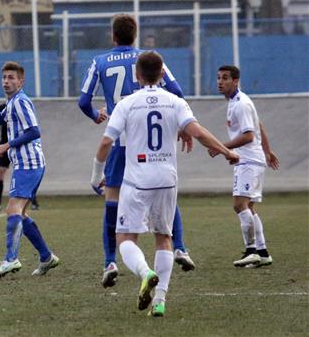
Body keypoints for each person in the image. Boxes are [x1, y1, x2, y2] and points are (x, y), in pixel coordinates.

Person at [91, 51, 239, 317]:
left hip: (136, 181)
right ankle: (159, 301)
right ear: (162, 74)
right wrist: (226, 152)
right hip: (166, 180)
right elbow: (198, 132)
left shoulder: (127, 104)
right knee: (164, 238)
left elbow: (105, 143)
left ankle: (145, 272)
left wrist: (95, 175)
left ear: (137, 76)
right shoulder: (175, 102)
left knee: (125, 237)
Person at [78, 14, 195, 288]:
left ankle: (110, 261)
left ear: (113, 35)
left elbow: (83, 101)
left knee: (112, 198)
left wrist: (96, 115)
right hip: (150, 141)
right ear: (135, 34)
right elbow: (177, 91)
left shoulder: (100, 61)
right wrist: (179, 123)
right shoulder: (150, 58)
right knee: (163, 188)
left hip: (120, 141)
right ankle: (179, 247)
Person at [0, 61, 59, 279]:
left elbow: (34, 131)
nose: (6, 82)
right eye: (4, 78)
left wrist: (6, 145)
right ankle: (46, 257)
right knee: (21, 212)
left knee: (12, 209)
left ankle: (11, 259)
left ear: (21, 81)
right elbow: (2, 118)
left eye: (11, 78)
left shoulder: (20, 102)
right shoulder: (11, 103)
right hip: (28, 163)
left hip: (28, 163)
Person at [210, 65, 279, 268]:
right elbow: (259, 126)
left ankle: (251, 251)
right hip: (250, 159)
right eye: (218, 78)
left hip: (248, 161)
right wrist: (267, 151)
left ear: (236, 81)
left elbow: (249, 135)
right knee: (248, 207)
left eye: (225, 78)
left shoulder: (240, 103)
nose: (220, 82)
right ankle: (263, 252)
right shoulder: (236, 102)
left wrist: (221, 147)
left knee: (239, 205)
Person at [0, 103, 41, 212]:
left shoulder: (21, 107)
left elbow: (33, 130)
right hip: (3, 146)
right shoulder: (2, 108)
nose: (6, 85)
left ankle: (33, 201)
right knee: (0, 171)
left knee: (24, 173)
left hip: (19, 145)